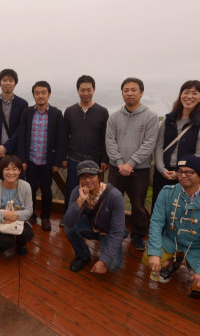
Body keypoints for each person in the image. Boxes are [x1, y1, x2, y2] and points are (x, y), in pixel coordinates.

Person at [145, 155, 200, 299]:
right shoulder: (167, 192)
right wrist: (155, 252)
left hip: (196, 247)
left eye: (189, 172)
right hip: (171, 240)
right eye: (180, 171)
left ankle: (190, 265)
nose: (182, 175)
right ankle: (174, 262)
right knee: (149, 258)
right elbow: (156, 222)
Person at [105, 78, 159, 251]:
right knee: (112, 201)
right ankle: (114, 231)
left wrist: (131, 163)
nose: (129, 93)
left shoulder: (150, 117)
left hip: (140, 169)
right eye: (126, 90)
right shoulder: (114, 117)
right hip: (116, 168)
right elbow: (110, 141)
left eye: (133, 90)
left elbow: (149, 144)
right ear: (122, 93)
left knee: (138, 204)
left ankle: (138, 234)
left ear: (141, 92)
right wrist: (120, 163)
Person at [152, 80, 200, 206]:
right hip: (162, 174)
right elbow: (159, 145)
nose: (189, 96)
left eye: (195, 93)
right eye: (186, 92)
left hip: (186, 177)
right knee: (158, 208)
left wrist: (180, 173)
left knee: (179, 211)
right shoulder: (168, 119)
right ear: (181, 95)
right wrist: (161, 169)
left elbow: (199, 155)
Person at [16, 81, 66, 231]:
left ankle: (45, 217)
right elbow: (21, 136)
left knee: (46, 190)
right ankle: (31, 215)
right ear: (33, 95)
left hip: (47, 161)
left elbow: (61, 139)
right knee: (29, 189)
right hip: (30, 159)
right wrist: (22, 159)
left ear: (49, 94)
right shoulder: (27, 112)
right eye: (37, 93)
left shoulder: (56, 113)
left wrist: (57, 161)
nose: (40, 96)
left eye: (43, 92)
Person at [63, 160, 127, 274]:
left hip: (108, 232)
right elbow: (68, 222)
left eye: (91, 176)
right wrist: (80, 201)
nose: (87, 180)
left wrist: (104, 261)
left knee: (112, 266)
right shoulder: (77, 192)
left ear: (99, 177)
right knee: (69, 228)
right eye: (83, 177)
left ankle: (111, 248)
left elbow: (118, 232)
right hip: (92, 227)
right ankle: (83, 255)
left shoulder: (114, 196)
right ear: (79, 180)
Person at [62, 75, 109, 221]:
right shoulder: (70, 111)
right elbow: (64, 137)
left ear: (94, 89)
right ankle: (68, 217)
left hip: (95, 160)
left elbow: (105, 138)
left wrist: (105, 159)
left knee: (94, 191)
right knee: (71, 190)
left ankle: (91, 219)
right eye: (82, 90)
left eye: (89, 90)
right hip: (74, 159)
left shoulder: (102, 112)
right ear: (78, 90)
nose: (86, 93)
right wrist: (63, 157)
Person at [0, 155, 34, 255]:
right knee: (6, 242)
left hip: (20, 220)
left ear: (19, 171)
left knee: (27, 234)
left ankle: (21, 244)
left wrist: (12, 216)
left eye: (14, 169)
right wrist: (4, 216)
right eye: (7, 169)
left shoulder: (26, 186)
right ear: (2, 171)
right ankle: (0, 242)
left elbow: (29, 210)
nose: (11, 173)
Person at [0, 69, 28, 182]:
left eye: (11, 80)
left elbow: (20, 129)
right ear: (0, 82)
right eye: (4, 80)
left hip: (14, 151)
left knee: (15, 183)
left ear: (15, 83)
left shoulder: (22, 104)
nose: (8, 83)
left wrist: (6, 147)